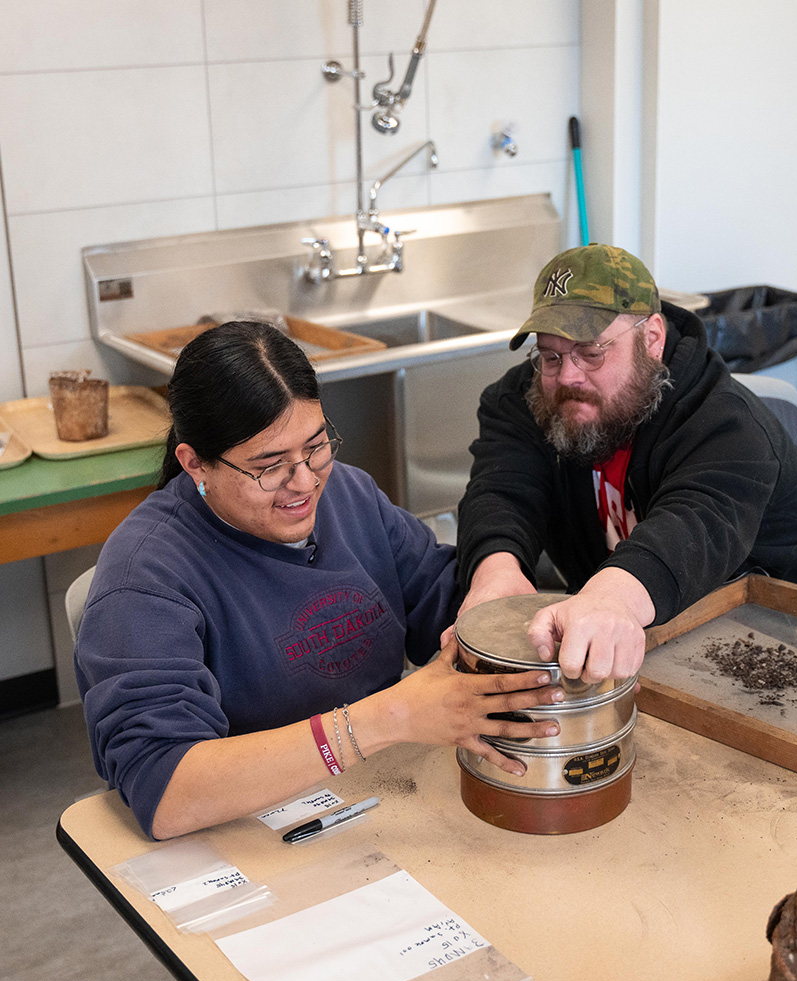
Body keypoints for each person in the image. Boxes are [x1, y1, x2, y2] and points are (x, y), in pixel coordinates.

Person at [75, 321, 563, 840]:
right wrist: (386, 718)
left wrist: (517, 608)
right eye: (268, 466)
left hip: (378, 801)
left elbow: (445, 603)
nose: (304, 483)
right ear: (195, 463)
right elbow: (167, 790)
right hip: (249, 835)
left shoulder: (349, 496)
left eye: (315, 446)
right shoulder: (146, 578)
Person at [456, 245, 797, 685]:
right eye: (551, 356)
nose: (567, 376)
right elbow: (502, 489)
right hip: (658, 627)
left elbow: (695, 523)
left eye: (591, 352)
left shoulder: (726, 420)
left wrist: (614, 597)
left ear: (651, 339)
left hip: (795, 625)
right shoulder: (527, 399)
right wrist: (494, 574)